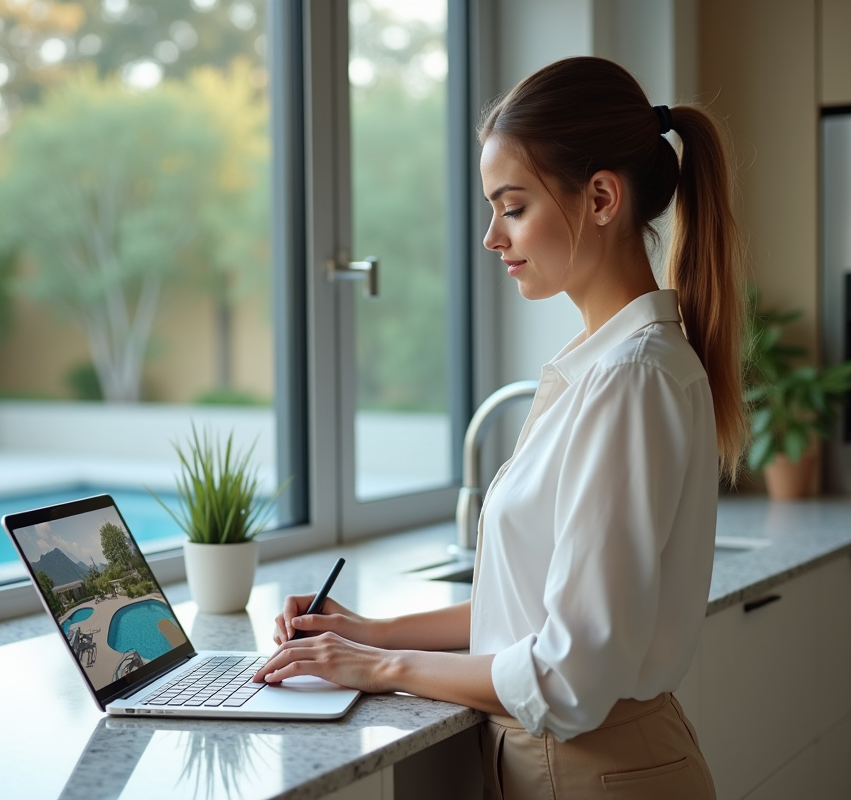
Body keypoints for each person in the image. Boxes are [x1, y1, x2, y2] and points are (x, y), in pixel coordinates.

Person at [251, 56, 745, 799]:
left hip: (595, 770)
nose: (492, 237)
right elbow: (536, 613)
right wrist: (370, 632)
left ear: (603, 197)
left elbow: (568, 674)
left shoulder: (630, 379)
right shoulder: (605, 366)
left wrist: (379, 670)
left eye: (512, 207)